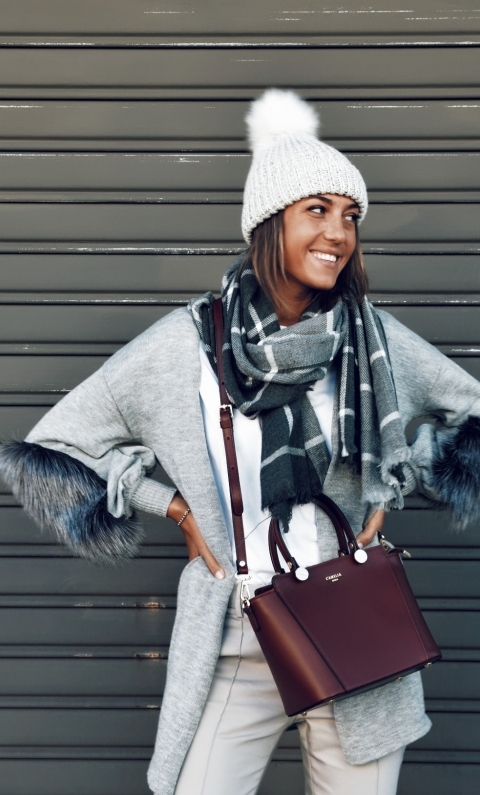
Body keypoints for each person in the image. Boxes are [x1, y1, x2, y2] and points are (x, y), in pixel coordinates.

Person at [1, 89, 480, 795]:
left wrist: (395, 480)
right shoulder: (185, 344)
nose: (338, 233)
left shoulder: (371, 337)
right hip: (236, 629)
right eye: (317, 210)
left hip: (357, 629)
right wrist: (175, 508)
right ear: (269, 221)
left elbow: (469, 414)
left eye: (350, 216)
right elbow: (58, 443)